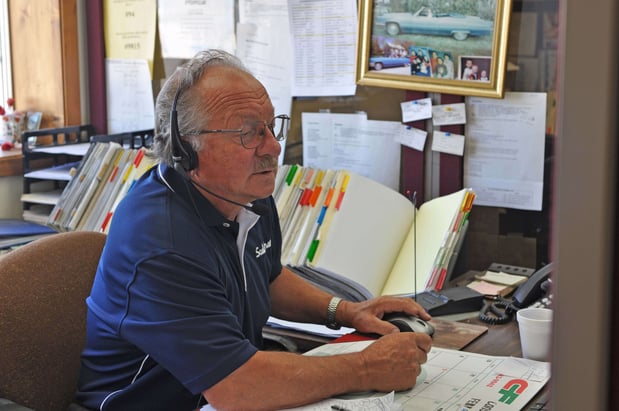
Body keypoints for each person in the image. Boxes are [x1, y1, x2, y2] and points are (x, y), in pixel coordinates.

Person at [76, 49, 432, 411]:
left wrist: (346, 311)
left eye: (270, 126)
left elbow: (267, 278)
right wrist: (366, 367)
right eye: (248, 133)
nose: (274, 147)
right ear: (187, 148)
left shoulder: (244, 192)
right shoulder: (159, 241)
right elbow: (238, 387)